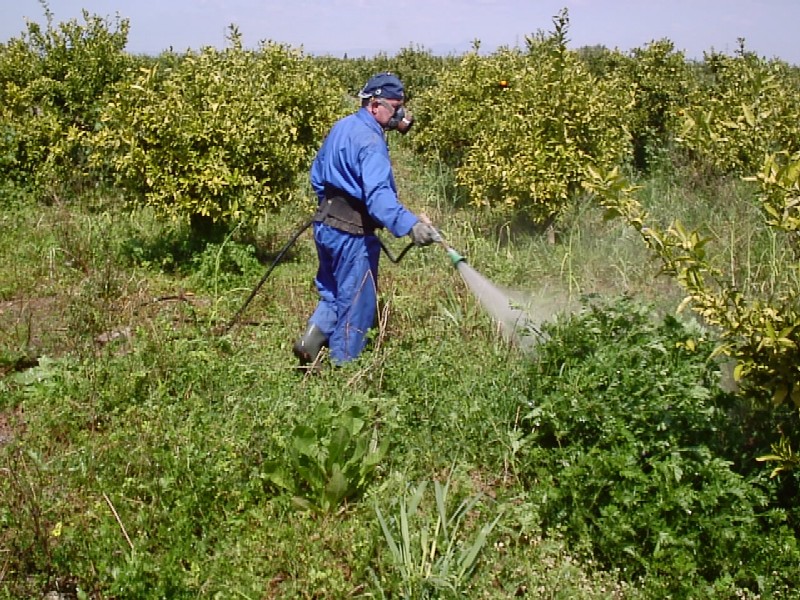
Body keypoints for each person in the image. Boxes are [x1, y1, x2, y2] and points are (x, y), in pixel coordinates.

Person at [293, 72, 439, 369]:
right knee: (356, 303)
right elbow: (378, 197)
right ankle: (344, 371)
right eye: (395, 107)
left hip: (325, 225)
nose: (400, 115)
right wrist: (411, 225)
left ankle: (309, 342)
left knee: (333, 291)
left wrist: (334, 208)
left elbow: (317, 176)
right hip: (351, 236)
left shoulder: (342, 126)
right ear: (374, 106)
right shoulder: (371, 141)